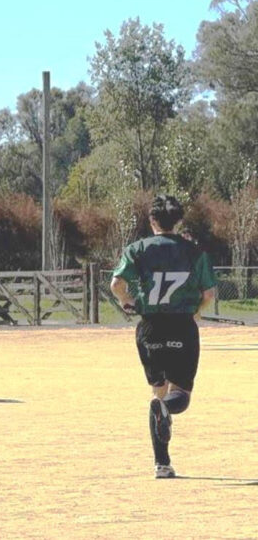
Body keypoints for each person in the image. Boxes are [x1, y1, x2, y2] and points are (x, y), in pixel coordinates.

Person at [110, 195, 216, 479]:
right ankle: (165, 408)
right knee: (179, 395)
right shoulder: (195, 251)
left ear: (151, 220)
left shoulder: (137, 249)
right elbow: (208, 295)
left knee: (157, 391)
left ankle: (162, 463)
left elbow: (116, 283)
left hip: (150, 327)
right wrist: (197, 312)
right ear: (178, 221)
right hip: (182, 325)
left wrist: (127, 301)